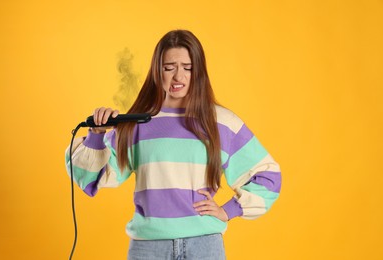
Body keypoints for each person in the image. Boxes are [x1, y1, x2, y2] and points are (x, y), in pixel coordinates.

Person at [65, 29, 281, 260]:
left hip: (204, 246)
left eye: (188, 68)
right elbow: (90, 178)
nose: (179, 77)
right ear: (157, 71)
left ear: (199, 71)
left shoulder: (221, 122)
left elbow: (267, 176)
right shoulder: (138, 123)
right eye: (169, 68)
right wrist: (96, 134)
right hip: (148, 249)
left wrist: (229, 210)